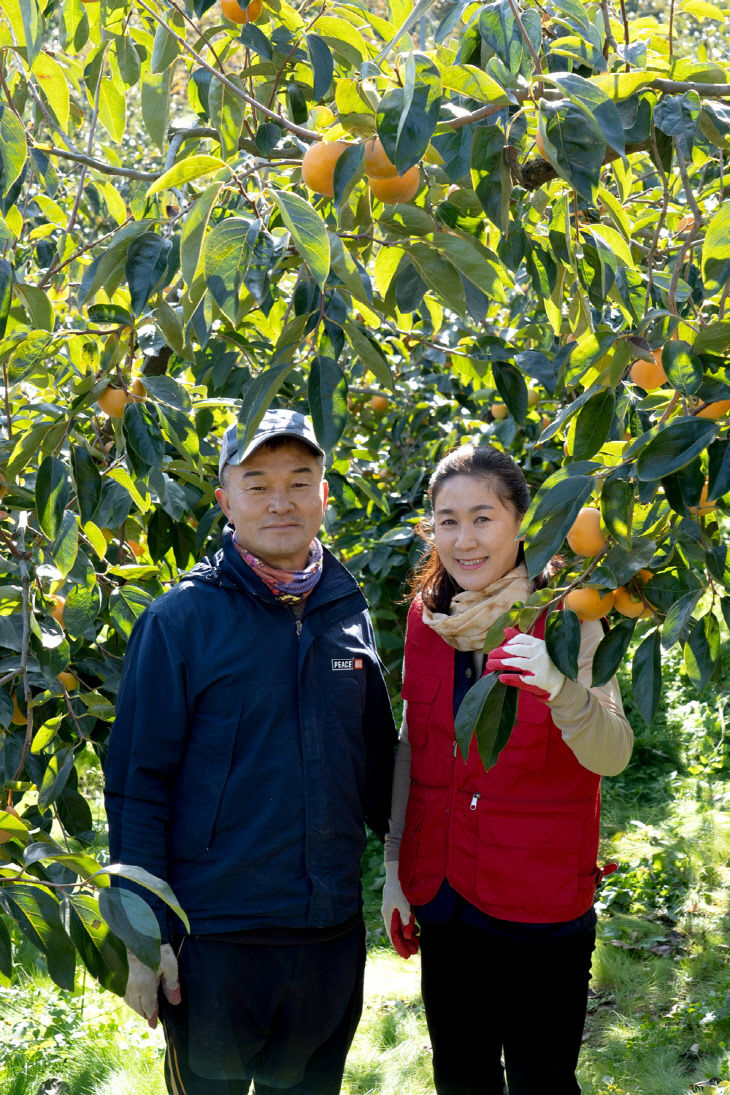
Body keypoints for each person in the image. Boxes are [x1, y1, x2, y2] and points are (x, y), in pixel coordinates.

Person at [105, 408, 396, 1095]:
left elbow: (380, 765)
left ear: (325, 493)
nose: (280, 500)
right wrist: (143, 938)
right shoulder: (179, 622)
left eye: (300, 481)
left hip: (327, 935)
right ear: (225, 500)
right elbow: (136, 784)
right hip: (214, 940)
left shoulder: (345, 609)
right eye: (258, 482)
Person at [381, 444, 633, 1095]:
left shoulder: (568, 616)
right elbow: (417, 737)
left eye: (483, 518)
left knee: (541, 1078)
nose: (465, 539)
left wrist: (561, 687)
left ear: (520, 520)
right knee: (460, 1076)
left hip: (539, 897)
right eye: (448, 519)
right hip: (445, 889)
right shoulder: (427, 616)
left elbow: (613, 751)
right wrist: (390, 868)